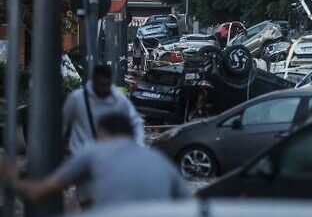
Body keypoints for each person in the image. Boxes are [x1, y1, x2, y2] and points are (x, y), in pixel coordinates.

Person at [3, 113, 190, 208]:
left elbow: (39, 192)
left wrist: (11, 181)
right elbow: (189, 208)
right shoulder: (158, 160)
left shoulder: (94, 152)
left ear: (104, 133)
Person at [63, 63, 144, 155]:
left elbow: (135, 122)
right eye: (102, 84)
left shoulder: (119, 100)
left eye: (108, 84)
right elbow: (63, 121)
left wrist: (138, 145)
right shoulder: (77, 98)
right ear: (93, 81)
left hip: (106, 158)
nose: (105, 89)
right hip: (80, 155)